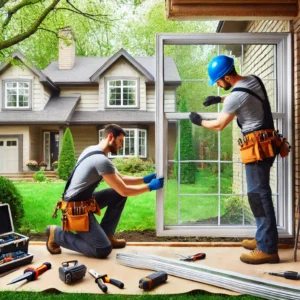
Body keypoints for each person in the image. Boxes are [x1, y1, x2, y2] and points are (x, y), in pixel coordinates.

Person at [189, 55, 280, 265]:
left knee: (259, 196)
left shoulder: (234, 97)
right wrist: (219, 99)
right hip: (268, 144)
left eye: (219, 82)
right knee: (258, 195)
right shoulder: (254, 79)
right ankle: (262, 238)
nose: (219, 86)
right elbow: (242, 97)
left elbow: (219, 125)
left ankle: (267, 249)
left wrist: (199, 121)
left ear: (227, 78)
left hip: (257, 149)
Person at [46, 124, 164, 259]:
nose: (121, 146)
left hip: (84, 202)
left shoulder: (92, 150)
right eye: (120, 141)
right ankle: (57, 234)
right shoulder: (101, 160)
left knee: (116, 195)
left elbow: (122, 179)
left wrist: (145, 179)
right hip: (75, 210)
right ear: (111, 137)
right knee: (102, 249)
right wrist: (150, 187)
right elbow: (124, 190)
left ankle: (107, 234)